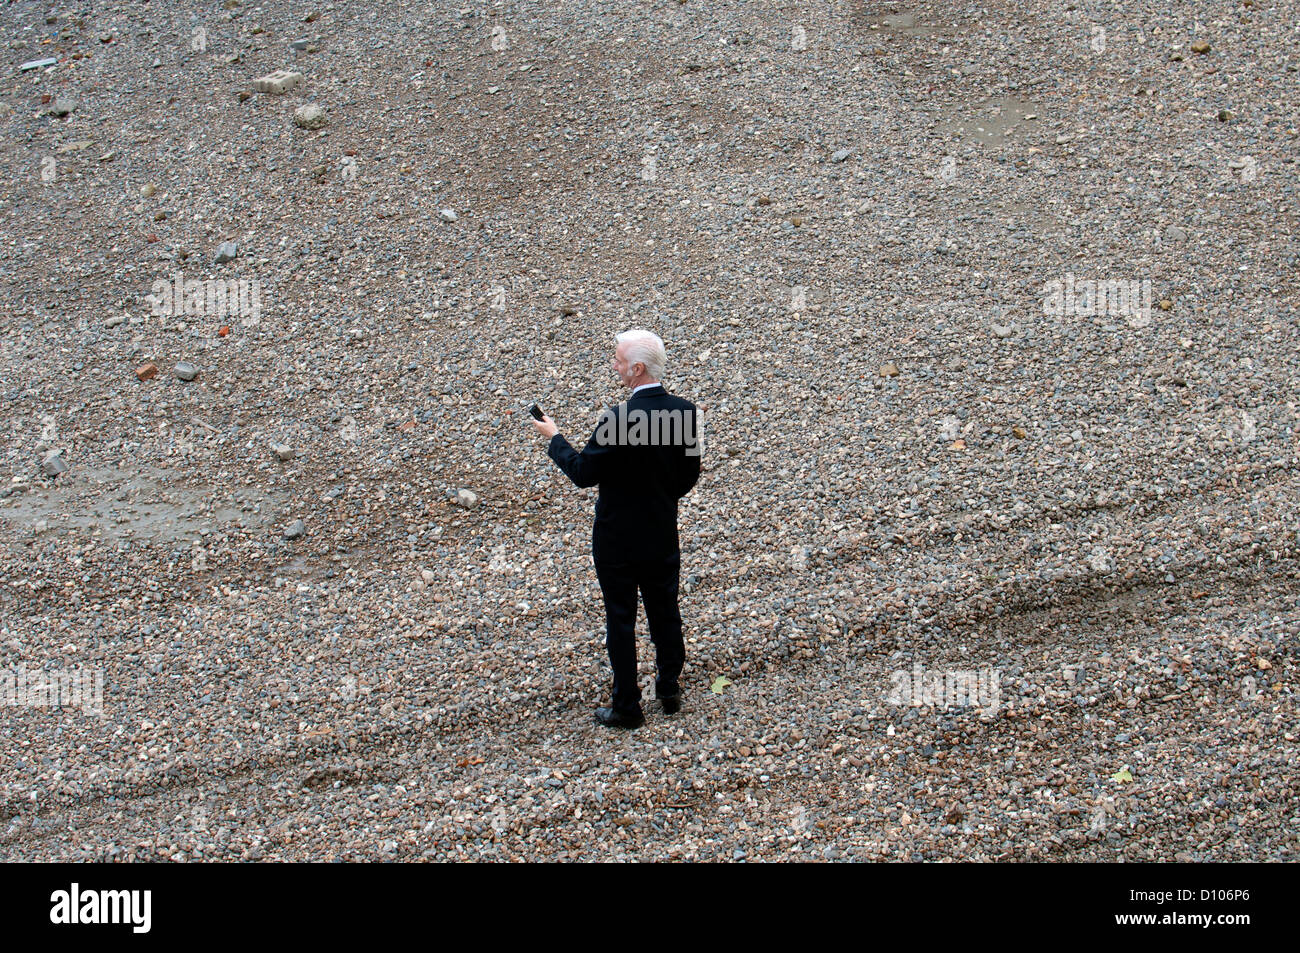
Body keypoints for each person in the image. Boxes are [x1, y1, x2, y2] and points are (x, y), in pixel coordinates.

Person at [532, 329, 701, 729]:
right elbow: (688, 476)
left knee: (620, 618)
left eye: (619, 359)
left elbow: (582, 473)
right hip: (661, 530)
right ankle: (668, 686)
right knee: (665, 608)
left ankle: (627, 706)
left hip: (617, 537)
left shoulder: (619, 420)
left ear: (637, 368)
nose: (615, 364)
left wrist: (554, 437)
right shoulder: (687, 413)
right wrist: (660, 499)